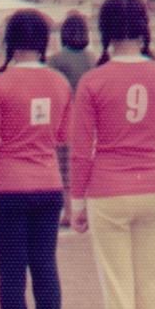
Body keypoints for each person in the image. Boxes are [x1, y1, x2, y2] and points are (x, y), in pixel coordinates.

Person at [69, 0, 155, 309]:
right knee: (152, 286)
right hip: (152, 185)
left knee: (118, 289)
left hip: (108, 189)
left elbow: (81, 149)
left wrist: (77, 202)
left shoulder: (93, 81)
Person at [0, 10, 72, 309]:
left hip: (8, 187)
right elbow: (63, 135)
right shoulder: (60, 83)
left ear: (10, 42)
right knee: (45, 266)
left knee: (12, 270)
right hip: (48, 185)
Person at [47, 13, 95, 228]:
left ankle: (68, 212)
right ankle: (85, 209)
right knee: (85, 166)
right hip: (89, 120)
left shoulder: (56, 60)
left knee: (65, 170)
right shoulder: (92, 59)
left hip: (66, 119)